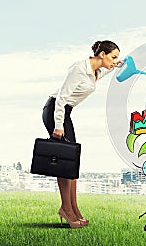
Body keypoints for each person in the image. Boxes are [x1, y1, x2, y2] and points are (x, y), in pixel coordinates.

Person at [42, 40, 123, 228]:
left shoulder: (94, 71)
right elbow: (61, 97)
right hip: (56, 111)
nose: (115, 60)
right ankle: (66, 209)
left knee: (72, 162)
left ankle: (74, 209)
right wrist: (59, 126)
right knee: (64, 163)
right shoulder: (80, 68)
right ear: (102, 54)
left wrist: (118, 65)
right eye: (113, 57)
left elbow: (101, 73)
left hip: (65, 113)